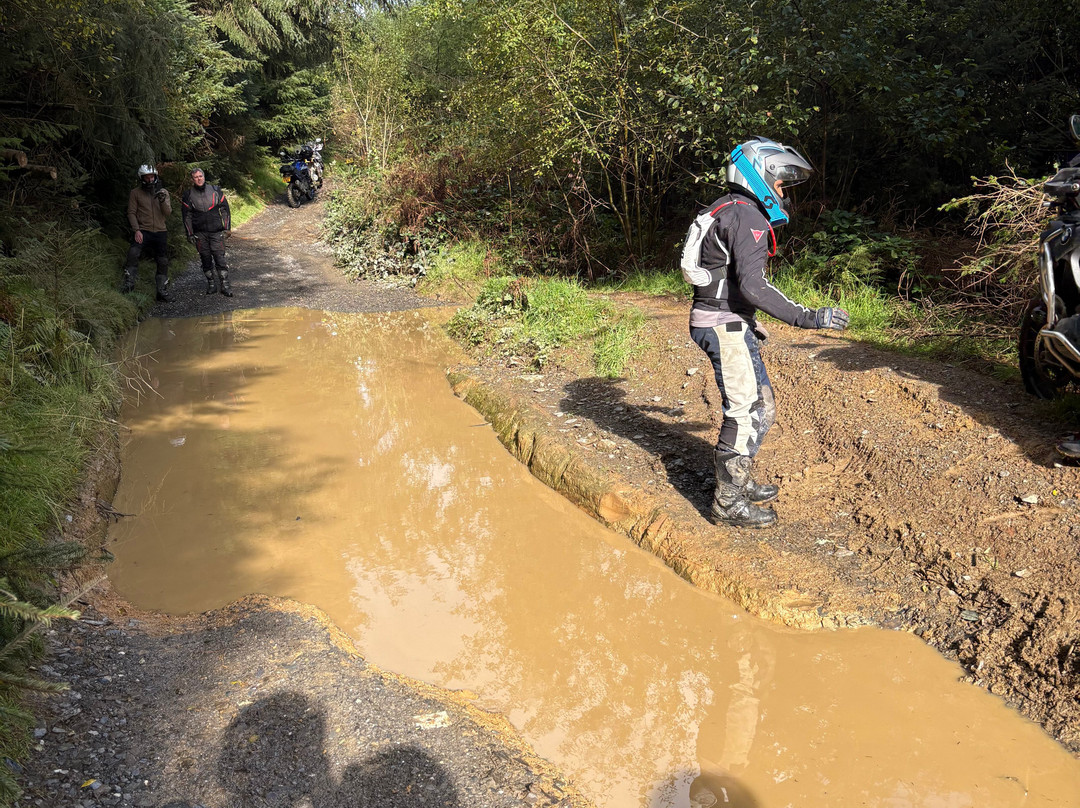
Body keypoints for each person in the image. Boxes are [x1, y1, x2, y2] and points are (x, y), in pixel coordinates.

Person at [681, 137, 849, 529]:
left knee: (763, 407)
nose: (782, 192)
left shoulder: (729, 209)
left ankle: (739, 480)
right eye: (780, 183)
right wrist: (809, 317)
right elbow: (754, 286)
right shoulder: (747, 216)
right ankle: (727, 503)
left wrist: (749, 318)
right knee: (745, 414)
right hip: (723, 324)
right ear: (760, 174)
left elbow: (730, 280)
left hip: (726, 319)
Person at [122, 164, 172, 301]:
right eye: (147, 177)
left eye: (152, 176)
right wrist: (136, 230)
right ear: (142, 178)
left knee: (162, 260)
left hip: (160, 230)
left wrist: (162, 200)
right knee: (133, 252)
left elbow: (168, 213)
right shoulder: (135, 193)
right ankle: (129, 283)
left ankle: (162, 291)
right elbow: (131, 212)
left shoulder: (163, 192)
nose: (150, 179)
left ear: (155, 176)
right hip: (143, 229)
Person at [181, 167, 233, 296]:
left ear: (204, 177)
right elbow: (187, 216)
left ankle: (225, 285)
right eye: (195, 177)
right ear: (192, 179)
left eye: (200, 176)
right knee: (205, 258)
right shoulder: (188, 195)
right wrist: (190, 233)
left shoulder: (215, 190)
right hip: (200, 233)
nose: (198, 179)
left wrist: (227, 228)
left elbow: (225, 209)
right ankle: (211, 284)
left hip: (216, 231)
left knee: (219, 257)